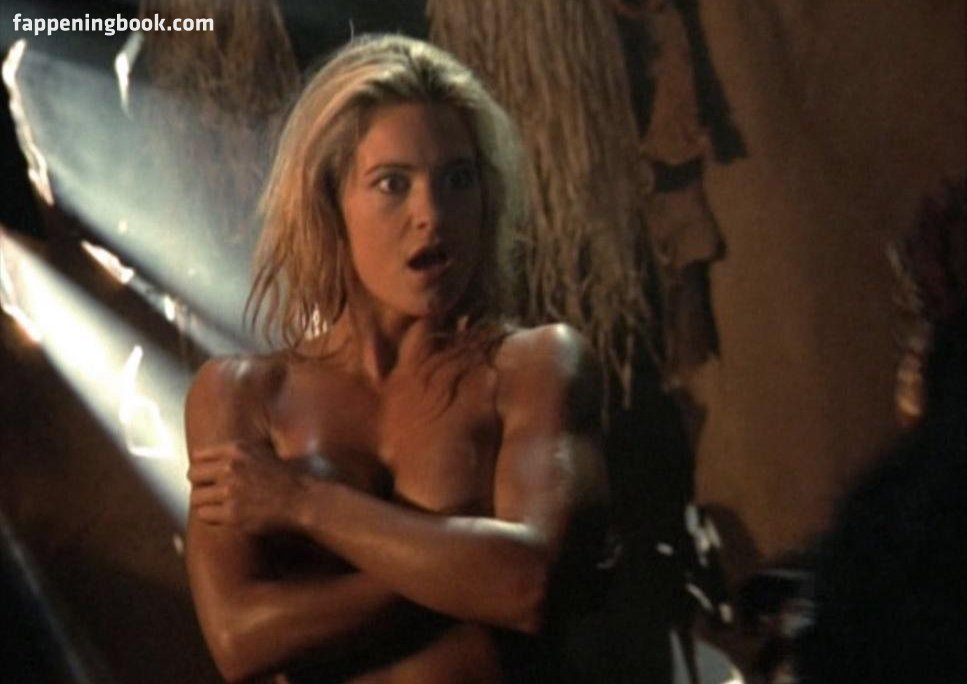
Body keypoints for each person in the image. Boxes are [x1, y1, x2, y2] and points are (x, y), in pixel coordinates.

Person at [183, 34, 610, 683]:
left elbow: (528, 586)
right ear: (330, 201)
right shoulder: (243, 394)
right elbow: (238, 641)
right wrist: (466, 562)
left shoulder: (534, 366)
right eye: (392, 184)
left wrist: (302, 501)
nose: (432, 215)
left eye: (457, 180)